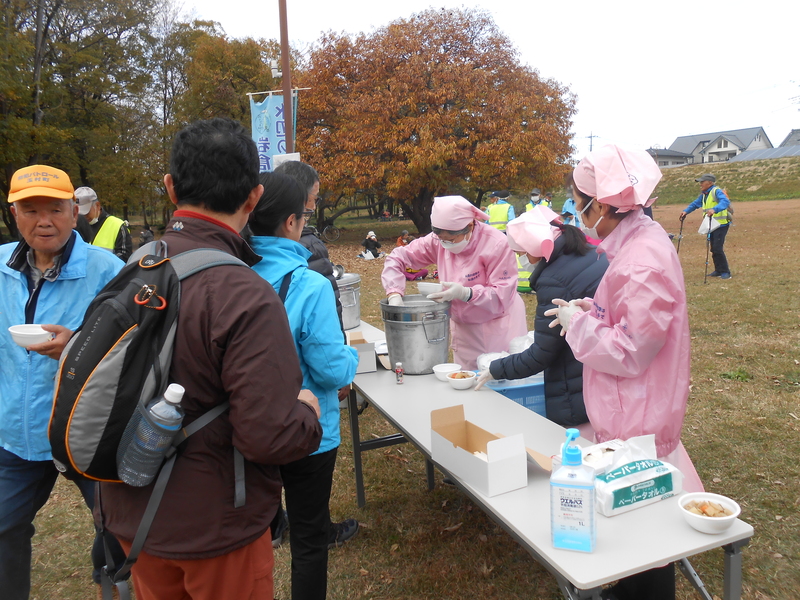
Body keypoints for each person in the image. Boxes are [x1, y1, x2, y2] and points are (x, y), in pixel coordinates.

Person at [97, 118, 323, 600]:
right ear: (254, 197)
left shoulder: (135, 267)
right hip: (217, 529)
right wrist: (308, 412)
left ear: (170, 187)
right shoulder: (246, 293)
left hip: (133, 512)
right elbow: (268, 436)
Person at [545, 145, 703, 600]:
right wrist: (590, 310)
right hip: (631, 406)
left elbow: (633, 348)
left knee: (645, 530)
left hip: (639, 412)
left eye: (578, 201)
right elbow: (629, 318)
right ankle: (631, 588)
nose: (575, 210)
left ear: (603, 205)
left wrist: (581, 328)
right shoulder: (634, 244)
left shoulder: (641, 261)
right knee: (636, 522)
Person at [0, 165, 124, 600]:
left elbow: (137, 346)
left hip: (88, 431)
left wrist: (76, 346)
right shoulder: (0, 266)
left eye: (55, 208)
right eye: (30, 210)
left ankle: (110, 577)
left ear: (76, 212)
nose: (44, 220)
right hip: (17, 434)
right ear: (14, 214)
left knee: (118, 531)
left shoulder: (108, 270)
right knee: (3, 528)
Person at [249, 172, 360, 600]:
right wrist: (351, 359)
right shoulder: (310, 284)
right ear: (292, 223)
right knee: (310, 538)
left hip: (249, 426)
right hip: (308, 430)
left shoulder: (232, 275)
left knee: (254, 531)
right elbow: (333, 370)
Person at [475, 206, 608, 434]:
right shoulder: (590, 253)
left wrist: (497, 369)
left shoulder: (553, 280)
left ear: (535, 248)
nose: (522, 260)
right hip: (603, 364)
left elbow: (543, 353)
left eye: (521, 254)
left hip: (577, 382)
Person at [382, 195, 527, 370]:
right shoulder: (437, 241)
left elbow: (501, 294)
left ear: (470, 227)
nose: (445, 244)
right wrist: (394, 294)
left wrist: (467, 293)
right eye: (441, 239)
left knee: (499, 378)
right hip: (464, 326)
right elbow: (397, 258)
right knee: (467, 378)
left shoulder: (496, 244)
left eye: (451, 240)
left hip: (498, 323)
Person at [274, 160, 345, 337]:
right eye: (315, 198)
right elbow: (326, 329)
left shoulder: (245, 245)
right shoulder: (310, 248)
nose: (314, 206)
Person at [680, 173, 731, 279]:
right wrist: (686, 211)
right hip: (711, 224)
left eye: (702, 182)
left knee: (717, 248)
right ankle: (718, 270)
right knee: (713, 248)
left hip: (721, 224)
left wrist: (715, 209)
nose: (700, 184)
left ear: (710, 183)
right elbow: (695, 204)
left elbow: (725, 202)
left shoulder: (716, 191)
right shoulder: (704, 194)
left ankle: (725, 272)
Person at [74, 187, 133, 261]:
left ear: (97, 206)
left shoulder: (118, 226)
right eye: (79, 214)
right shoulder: (74, 226)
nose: (83, 217)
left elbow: (124, 259)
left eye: (86, 212)